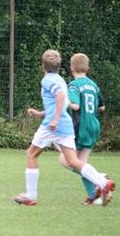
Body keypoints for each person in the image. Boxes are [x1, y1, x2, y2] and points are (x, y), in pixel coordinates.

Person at [13, 49, 115, 206]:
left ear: (43, 66)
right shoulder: (60, 79)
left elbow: (60, 96)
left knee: (31, 154)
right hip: (65, 124)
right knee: (73, 161)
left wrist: (53, 119)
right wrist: (40, 113)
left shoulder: (47, 80)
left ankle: (31, 196)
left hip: (53, 125)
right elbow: (60, 102)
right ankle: (102, 182)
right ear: (60, 66)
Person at [59, 53, 106, 205]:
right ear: (87, 68)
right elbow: (102, 107)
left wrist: (64, 99)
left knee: (66, 161)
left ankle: (97, 178)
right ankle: (94, 196)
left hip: (81, 127)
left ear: (71, 68)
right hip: (93, 126)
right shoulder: (93, 85)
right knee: (82, 161)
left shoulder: (74, 86)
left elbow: (75, 105)